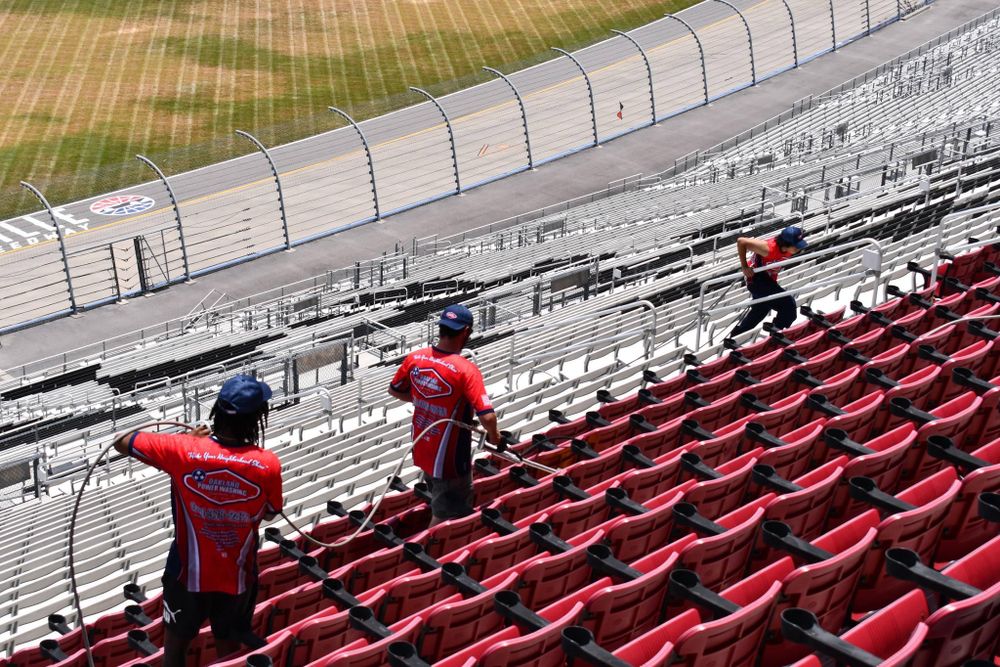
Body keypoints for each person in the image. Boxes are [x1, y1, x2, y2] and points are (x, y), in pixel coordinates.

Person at [112, 375, 283, 666]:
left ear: (217, 410)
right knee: (229, 651)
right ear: (257, 418)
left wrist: (189, 441)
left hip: (185, 575)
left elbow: (121, 441)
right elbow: (269, 512)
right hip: (237, 574)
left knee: (175, 649)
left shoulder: (183, 450)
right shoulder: (267, 464)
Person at [388, 304, 502, 528]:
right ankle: (430, 553)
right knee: (448, 515)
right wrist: (495, 437)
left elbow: (395, 390)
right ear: (466, 331)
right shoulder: (466, 370)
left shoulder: (416, 358)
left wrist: (424, 401)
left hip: (423, 444)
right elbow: (488, 418)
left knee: (438, 494)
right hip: (449, 457)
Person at [729, 226, 808, 338]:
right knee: (788, 306)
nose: (798, 249)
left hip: (769, 280)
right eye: (796, 246)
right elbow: (741, 241)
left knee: (761, 310)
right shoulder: (768, 249)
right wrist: (744, 267)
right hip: (756, 280)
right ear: (785, 245)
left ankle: (735, 338)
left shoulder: (788, 248)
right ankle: (776, 337)